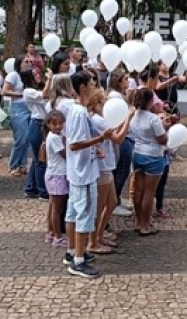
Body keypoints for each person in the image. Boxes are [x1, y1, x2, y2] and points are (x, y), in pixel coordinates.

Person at [64, 71, 112, 278]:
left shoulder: (79, 111)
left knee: (74, 212)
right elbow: (74, 144)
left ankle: (72, 251)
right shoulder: (79, 112)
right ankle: (78, 261)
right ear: (83, 87)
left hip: (79, 170)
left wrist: (94, 149)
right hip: (82, 173)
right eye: (92, 83)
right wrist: (100, 138)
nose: (94, 86)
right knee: (83, 215)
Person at [89, 89, 133, 251]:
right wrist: (128, 118)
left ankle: (99, 235)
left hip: (106, 165)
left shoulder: (98, 119)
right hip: (103, 166)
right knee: (100, 205)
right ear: (97, 104)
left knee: (112, 202)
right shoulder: (99, 121)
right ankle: (93, 241)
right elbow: (118, 138)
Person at [130, 88, 169, 236]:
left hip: (138, 153)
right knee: (149, 193)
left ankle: (138, 220)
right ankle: (145, 225)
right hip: (153, 155)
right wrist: (165, 129)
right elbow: (162, 139)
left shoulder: (133, 116)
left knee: (138, 191)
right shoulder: (153, 119)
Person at [107, 69, 135, 217]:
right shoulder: (115, 97)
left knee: (122, 170)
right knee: (121, 170)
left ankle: (116, 199)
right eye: (125, 79)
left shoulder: (121, 95)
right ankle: (114, 202)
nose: (128, 81)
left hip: (126, 134)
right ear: (118, 81)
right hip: (122, 136)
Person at [21, 69, 50, 200]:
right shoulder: (28, 91)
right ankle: (43, 191)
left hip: (43, 124)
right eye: (35, 74)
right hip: (38, 124)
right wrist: (50, 79)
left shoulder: (38, 88)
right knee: (41, 160)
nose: (39, 76)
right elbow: (44, 95)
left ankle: (31, 187)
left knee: (36, 158)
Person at [3, 54, 33, 177]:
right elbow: (4, 91)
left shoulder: (29, 76)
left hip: (29, 107)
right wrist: (20, 94)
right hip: (17, 108)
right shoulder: (13, 75)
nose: (29, 63)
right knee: (20, 138)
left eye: (30, 61)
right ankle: (13, 165)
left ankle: (23, 164)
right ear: (19, 63)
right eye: (26, 62)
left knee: (27, 139)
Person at [43, 109, 68, 248]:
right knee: (57, 208)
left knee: (53, 205)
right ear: (48, 124)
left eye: (60, 123)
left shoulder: (54, 136)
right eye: (55, 124)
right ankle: (57, 237)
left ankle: (51, 232)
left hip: (54, 174)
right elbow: (65, 154)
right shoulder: (54, 138)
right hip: (57, 175)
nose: (58, 126)